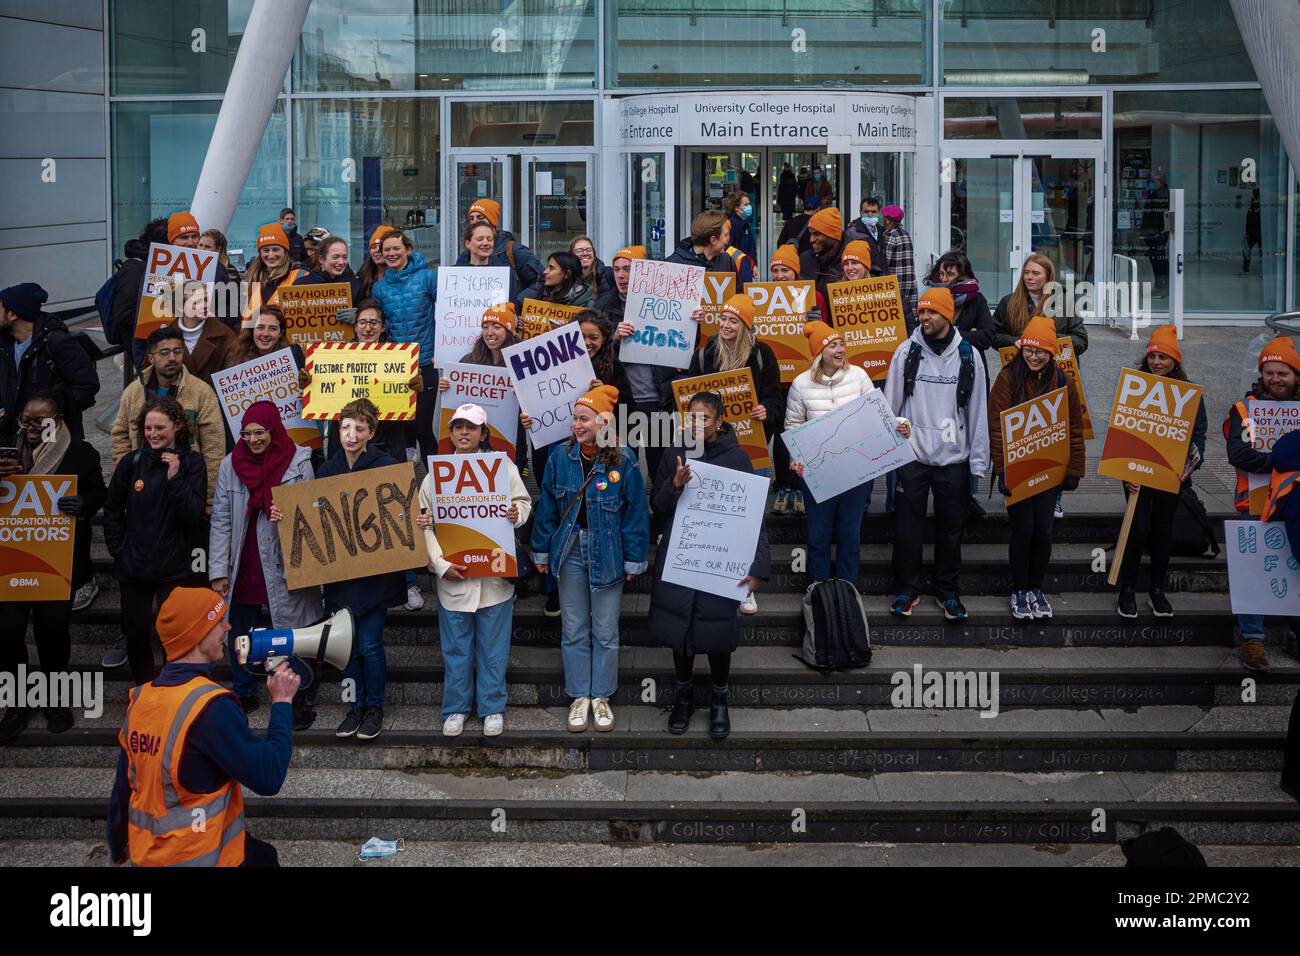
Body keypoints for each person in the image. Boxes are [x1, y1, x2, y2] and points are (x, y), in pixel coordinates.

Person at [108, 586, 298, 867]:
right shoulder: (210, 707)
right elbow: (268, 776)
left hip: (148, 855)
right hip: (201, 857)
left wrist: (117, 845)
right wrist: (282, 702)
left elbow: (124, 788)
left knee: (264, 855)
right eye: (219, 621)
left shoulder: (139, 699)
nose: (228, 627)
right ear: (197, 635)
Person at [649, 392, 770, 739]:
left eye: (705, 419)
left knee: (718, 631)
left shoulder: (738, 458)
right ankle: (683, 697)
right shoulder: (673, 454)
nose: (697, 424)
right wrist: (675, 485)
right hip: (682, 556)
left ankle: (719, 700)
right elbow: (657, 507)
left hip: (722, 561)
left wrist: (757, 567)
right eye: (692, 418)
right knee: (679, 631)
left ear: (719, 422)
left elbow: (754, 517)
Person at [531, 385, 648, 733]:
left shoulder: (623, 460)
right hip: (570, 552)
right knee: (573, 629)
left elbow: (635, 513)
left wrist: (634, 559)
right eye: (575, 418)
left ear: (603, 423)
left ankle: (602, 696)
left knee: (606, 631)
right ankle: (579, 695)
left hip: (608, 552)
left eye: (584, 419)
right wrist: (540, 549)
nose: (576, 425)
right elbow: (548, 508)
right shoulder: (559, 457)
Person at [416, 403, 531, 737]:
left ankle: (492, 706)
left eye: (471, 427)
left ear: (484, 433)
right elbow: (426, 523)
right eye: (458, 427)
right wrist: (440, 565)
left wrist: (515, 513)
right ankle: (456, 708)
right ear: (450, 433)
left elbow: (523, 503)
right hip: (455, 577)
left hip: (494, 578)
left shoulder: (503, 466)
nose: (464, 433)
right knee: (456, 650)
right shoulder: (436, 474)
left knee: (494, 650)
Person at [0, 391, 106, 741]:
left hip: (56, 560)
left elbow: (98, 493)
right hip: (10, 561)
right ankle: (17, 703)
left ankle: (55, 700)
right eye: (25, 420)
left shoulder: (80, 453)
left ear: (58, 420)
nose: (30, 427)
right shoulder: (5, 450)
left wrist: (84, 503)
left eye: (39, 421)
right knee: (9, 636)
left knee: (53, 634)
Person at [209, 401, 323, 724]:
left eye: (260, 432)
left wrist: (286, 517)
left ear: (273, 430)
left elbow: (311, 509)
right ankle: (243, 689)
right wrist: (218, 570)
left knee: (288, 626)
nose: (254, 439)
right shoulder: (230, 465)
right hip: (244, 559)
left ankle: (297, 691)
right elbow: (220, 519)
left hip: (281, 558)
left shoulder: (298, 461)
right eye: (246, 433)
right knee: (240, 627)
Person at [884, 287, 989, 622]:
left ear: (948, 316)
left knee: (951, 528)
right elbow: (890, 405)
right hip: (913, 456)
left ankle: (947, 590)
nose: (924, 317)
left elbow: (978, 410)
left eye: (932, 313)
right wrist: (889, 448)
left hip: (953, 458)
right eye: (922, 312)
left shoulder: (969, 356)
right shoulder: (906, 351)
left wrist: (978, 461)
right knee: (907, 528)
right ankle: (907, 588)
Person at [310, 399, 406, 741]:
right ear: (338, 429)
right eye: (346, 428)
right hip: (341, 577)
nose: (351, 435)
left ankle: (374, 708)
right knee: (348, 647)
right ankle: (354, 707)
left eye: (359, 429)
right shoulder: (326, 470)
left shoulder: (386, 466)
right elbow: (315, 520)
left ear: (372, 432)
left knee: (369, 644)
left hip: (376, 577)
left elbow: (399, 517)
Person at [788, 321, 910, 586]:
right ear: (820, 352)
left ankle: (847, 585)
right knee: (818, 534)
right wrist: (796, 458)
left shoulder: (859, 376)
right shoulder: (800, 384)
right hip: (817, 471)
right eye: (833, 345)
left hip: (856, 470)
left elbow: (878, 415)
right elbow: (793, 426)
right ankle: (817, 585)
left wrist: (898, 425)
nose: (840, 349)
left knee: (849, 533)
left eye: (841, 343)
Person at [683, 293, 781, 609]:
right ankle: (708, 577)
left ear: (746, 325)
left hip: (751, 448)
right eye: (723, 318)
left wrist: (767, 409)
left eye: (733, 320)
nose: (725, 325)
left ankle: (746, 588)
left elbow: (776, 397)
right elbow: (688, 394)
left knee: (749, 519)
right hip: (712, 449)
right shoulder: (705, 353)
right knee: (711, 515)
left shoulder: (762, 354)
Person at [104, 396, 208, 684]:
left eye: (159, 427)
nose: (153, 434)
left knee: (172, 636)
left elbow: (193, 514)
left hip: (173, 568)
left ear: (176, 426)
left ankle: (171, 692)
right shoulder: (131, 462)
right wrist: (118, 549)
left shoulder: (192, 463)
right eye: (148, 428)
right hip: (133, 566)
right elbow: (112, 507)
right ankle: (143, 690)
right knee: (136, 634)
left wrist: (175, 479)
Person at [987, 316, 1085, 620]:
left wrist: (1074, 470)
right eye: (1029, 349)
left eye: (1041, 351)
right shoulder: (1007, 378)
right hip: (1018, 469)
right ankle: (1018, 589)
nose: (1033, 356)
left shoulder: (1062, 382)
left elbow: (1074, 428)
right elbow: (996, 426)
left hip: (1050, 469)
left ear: (1051, 353)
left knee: (1043, 531)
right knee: (1022, 530)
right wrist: (1002, 469)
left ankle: (1035, 587)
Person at [1115, 325, 1206, 621]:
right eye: (1152, 356)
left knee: (1162, 532)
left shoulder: (1188, 393)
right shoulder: (1135, 385)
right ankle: (1127, 589)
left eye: (1163, 357)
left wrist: (1189, 466)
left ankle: (1157, 589)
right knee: (1137, 529)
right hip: (1137, 474)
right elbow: (1123, 429)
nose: (1156, 362)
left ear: (1175, 361)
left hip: (1172, 476)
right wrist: (1125, 471)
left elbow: (1199, 433)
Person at [1225, 336, 1300, 670]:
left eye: (1282, 373)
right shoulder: (1246, 408)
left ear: (1296, 375)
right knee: (1253, 572)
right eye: (1269, 372)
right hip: (1255, 504)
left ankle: (1295, 634)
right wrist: (1284, 459)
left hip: (1296, 503)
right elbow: (1238, 453)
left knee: (1294, 569)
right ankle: (1252, 638)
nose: (1275, 379)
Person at [111, 325, 224, 509]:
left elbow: (214, 449)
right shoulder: (134, 391)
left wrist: (208, 499)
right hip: (142, 485)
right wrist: (125, 475)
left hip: (185, 485)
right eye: (164, 352)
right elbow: (120, 435)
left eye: (177, 351)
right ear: (151, 357)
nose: (172, 357)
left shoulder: (201, 392)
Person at [924, 250, 996, 517]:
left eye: (951, 273)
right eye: (941, 272)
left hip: (968, 373)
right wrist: (968, 334)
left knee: (969, 430)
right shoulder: (929, 298)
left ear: (963, 273)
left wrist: (951, 333)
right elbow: (923, 334)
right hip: (934, 377)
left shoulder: (976, 300)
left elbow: (987, 336)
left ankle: (969, 495)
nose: (944, 278)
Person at [605, 245, 677, 484]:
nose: (621, 275)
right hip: (624, 402)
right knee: (624, 468)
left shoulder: (666, 302)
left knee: (661, 469)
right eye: (616, 269)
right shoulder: (603, 306)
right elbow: (591, 350)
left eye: (627, 269)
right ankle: (630, 518)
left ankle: (662, 517)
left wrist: (691, 321)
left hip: (658, 400)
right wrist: (613, 338)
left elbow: (685, 345)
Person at [0, 282, 99, 444]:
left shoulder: (56, 342)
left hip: (51, 437)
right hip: (13, 438)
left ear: (12, 314)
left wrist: (51, 405)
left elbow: (87, 387)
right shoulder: (5, 346)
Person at [372, 228, 439, 462]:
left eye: (396, 248)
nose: (391, 253)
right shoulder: (379, 288)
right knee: (403, 430)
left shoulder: (428, 278)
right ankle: (408, 487)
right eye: (386, 250)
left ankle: (436, 486)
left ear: (408, 250)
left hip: (425, 361)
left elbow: (446, 312)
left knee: (422, 427)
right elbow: (382, 326)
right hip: (396, 365)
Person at [768, 245, 809, 517]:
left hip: (803, 379)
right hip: (776, 381)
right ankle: (783, 484)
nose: (781, 275)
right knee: (782, 437)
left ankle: (799, 486)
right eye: (776, 271)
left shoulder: (811, 295)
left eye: (786, 270)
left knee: (802, 436)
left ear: (796, 271)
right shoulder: (763, 297)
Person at [992, 253, 1087, 355]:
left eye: (1035, 273)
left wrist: (1050, 339)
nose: (1029, 277)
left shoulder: (1065, 303)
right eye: (1026, 272)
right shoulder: (1008, 302)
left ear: (1048, 276)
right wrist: (1015, 342)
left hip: (1055, 366)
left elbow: (1081, 340)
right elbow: (993, 335)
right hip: (1019, 366)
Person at [460, 198, 543, 290]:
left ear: (492, 221)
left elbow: (540, 281)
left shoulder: (514, 251)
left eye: (480, 217)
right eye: (471, 218)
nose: (474, 221)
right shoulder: (465, 255)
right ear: (468, 244)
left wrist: (516, 301)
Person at [171, 280, 236, 389]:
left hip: (212, 403)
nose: (205, 305)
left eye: (205, 299)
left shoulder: (225, 335)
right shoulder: (164, 338)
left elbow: (235, 376)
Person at [241, 222, 307, 326]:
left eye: (276, 249)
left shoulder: (301, 276)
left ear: (285, 251)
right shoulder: (252, 278)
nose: (271, 255)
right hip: (255, 340)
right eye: (266, 250)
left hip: (287, 340)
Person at [223, 304, 305, 372]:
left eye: (273, 328)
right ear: (252, 330)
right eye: (260, 327)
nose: (266, 334)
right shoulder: (236, 359)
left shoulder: (293, 354)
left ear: (281, 333)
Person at [514, 250, 594, 313]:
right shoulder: (540, 294)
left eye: (551, 268)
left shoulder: (588, 304)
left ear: (567, 274)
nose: (545, 271)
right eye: (547, 267)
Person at [880, 204, 919, 327]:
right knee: (908, 319)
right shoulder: (905, 234)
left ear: (888, 220)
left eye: (883, 217)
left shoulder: (891, 236)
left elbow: (885, 261)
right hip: (909, 283)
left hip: (896, 284)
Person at [463, 222, 521, 304]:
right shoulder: (453, 276)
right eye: (480, 239)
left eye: (490, 239)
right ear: (468, 244)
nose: (486, 243)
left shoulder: (505, 274)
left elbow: (513, 304)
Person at [798, 207, 847, 304]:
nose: (811, 239)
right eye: (811, 234)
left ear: (833, 235)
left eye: (817, 234)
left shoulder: (853, 261)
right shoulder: (804, 259)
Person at [305, 235, 364, 302]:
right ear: (321, 259)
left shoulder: (356, 285)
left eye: (344, 257)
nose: (341, 262)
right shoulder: (303, 286)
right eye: (335, 257)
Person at [1140, 173, 1170, 296]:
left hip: (1157, 233)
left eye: (1151, 181)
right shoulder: (1157, 194)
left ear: (1159, 182)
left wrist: (1158, 232)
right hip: (1153, 233)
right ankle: (1162, 285)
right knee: (1157, 259)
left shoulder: (1162, 195)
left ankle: (1162, 287)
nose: (1149, 184)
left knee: (1159, 260)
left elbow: (1157, 216)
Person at [844, 196, 886, 276]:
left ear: (878, 213)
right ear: (860, 212)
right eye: (866, 212)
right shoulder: (852, 232)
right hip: (865, 279)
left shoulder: (882, 231)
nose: (870, 214)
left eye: (873, 212)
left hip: (882, 278)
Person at [356, 225, 394, 301]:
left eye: (381, 246)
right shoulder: (363, 274)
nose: (377, 250)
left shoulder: (400, 274)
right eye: (373, 247)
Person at [569, 235, 611, 299]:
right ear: (571, 255)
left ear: (594, 253)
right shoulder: (564, 277)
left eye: (588, 250)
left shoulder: (608, 274)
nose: (585, 253)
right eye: (579, 251)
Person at [724, 191, 757, 261]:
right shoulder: (729, 223)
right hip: (737, 265)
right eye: (746, 204)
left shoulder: (745, 222)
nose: (749, 207)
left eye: (749, 204)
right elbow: (727, 247)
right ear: (736, 208)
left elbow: (751, 248)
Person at [1243, 188, 1262, 274]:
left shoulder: (1255, 205)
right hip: (1256, 232)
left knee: (1247, 250)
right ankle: (1246, 267)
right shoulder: (1255, 204)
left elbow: (1249, 220)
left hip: (1253, 232)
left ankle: (1246, 267)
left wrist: (1247, 232)